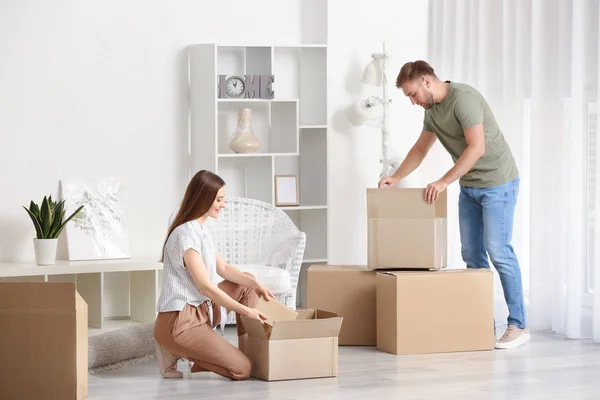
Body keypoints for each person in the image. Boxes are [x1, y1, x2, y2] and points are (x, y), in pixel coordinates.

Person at [378, 60, 530, 349]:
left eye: (413, 94)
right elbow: (421, 148)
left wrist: (443, 182)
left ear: (426, 81)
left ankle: (518, 325)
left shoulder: (465, 99)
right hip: (470, 186)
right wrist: (396, 177)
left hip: (498, 183)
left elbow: (477, 147)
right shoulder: (432, 111)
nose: (413, 102)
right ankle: (481, 324)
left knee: (498, 250)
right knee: (472, 254)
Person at [153, 169, 276, 380]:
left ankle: (245, 354)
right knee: (242, 370)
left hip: (202, 309)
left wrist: (256, 283)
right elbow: (206, 287)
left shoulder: (202, 230)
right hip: (180, 321)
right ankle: (173, 348)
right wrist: (247, 311)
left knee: (246, 283)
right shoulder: (185, 235)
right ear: (204, 198)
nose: (223, 204)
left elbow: (224, 269)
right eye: (219, 199)